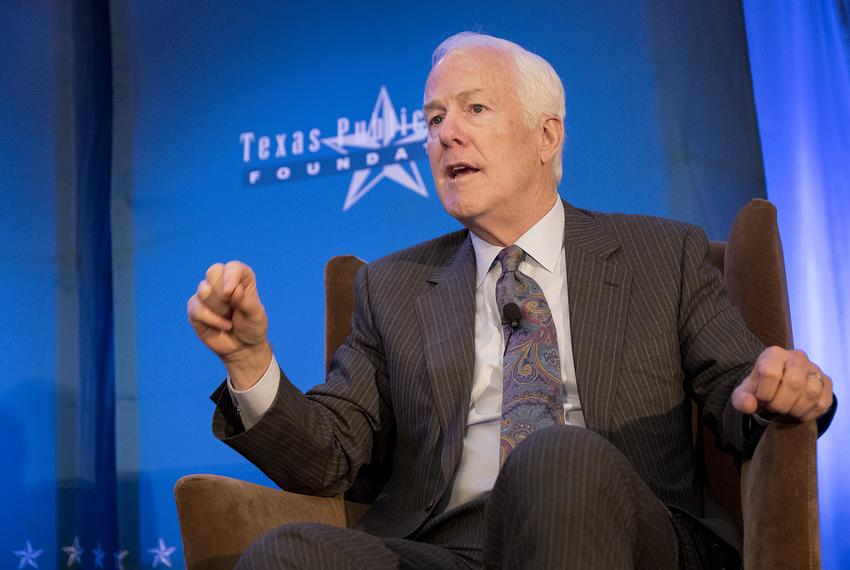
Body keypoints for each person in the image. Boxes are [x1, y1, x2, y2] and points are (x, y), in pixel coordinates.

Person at [187, 32, 835, 569]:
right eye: (434, 119)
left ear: (547, 135)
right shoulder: (393, 287)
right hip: (449, 550)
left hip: (624, 532)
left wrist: (781, 390)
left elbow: (740, 390)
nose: (445, 135)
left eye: (474, 110)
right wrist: (250, 362)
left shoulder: (663, 255)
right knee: (288, 555)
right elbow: (329, 457)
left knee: (554, 458)